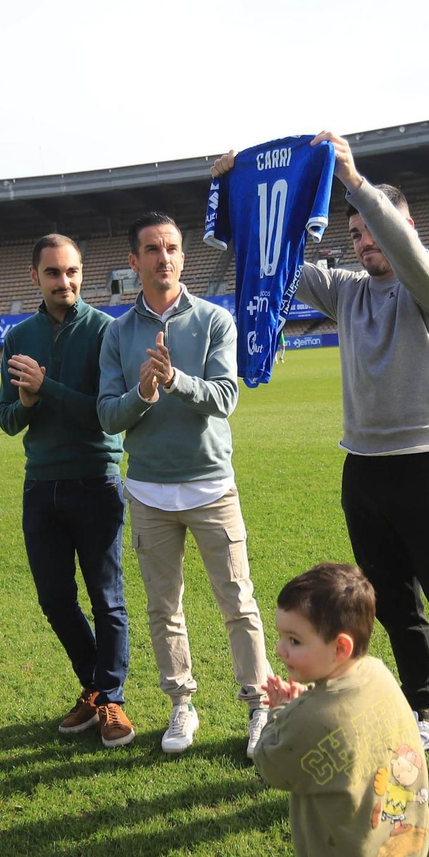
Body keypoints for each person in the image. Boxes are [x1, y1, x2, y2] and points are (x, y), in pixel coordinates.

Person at [212, 133, 429, 786]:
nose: (364, 241)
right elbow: (269, 265)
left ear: (403, 228)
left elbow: (406, 251)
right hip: (363, 471)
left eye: (373, 229)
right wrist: (233, 197)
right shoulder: (347, 292)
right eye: (354, 233)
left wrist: (355, 184)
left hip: (426, 467)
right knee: (395, 608)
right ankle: (425, 714)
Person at [97, 212, 272, 757]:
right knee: (163, 608)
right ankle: (181, 704)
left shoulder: (215, 320)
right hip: (148, 493)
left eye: (171, 247)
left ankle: (260, 706)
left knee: (238, 602)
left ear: (183, 256)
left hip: (211, 486)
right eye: (152, 249)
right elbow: (107, 415)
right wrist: (144, 395)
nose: (164, 257)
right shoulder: (116, 333)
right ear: (134, 261)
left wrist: (174, 380)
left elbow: (225, 397)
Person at [253, 563, 429, 857]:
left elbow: (270, 764)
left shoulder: (309, 718)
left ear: (340, 647)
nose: (281, 650)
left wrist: (282, 712)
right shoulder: (378, 673)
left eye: (294, 640)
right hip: (402, 845)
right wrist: (302, 703)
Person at [0, 233, 134, 749]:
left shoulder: (105, 331)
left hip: (96, 480)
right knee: (54, 599)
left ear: (82, 273)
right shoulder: (19, 337)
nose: (64, 281)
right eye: (53, 272)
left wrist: (46, 388)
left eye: (72, 271)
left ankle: (111, 697)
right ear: (35, 276)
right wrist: (28, 403)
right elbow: (7, 419)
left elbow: (105, 415)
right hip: (41, 486)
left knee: (107, 599)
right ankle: (96, 687)